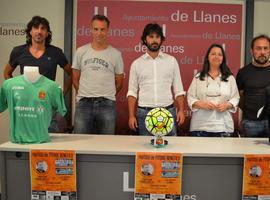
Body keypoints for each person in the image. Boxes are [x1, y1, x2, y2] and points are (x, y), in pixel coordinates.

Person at [2, 16, 71, 133]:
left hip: (47, 104)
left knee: (49, 138)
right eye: (35, 28)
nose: (39, 31)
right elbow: (7, 73)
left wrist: (61, 93)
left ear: (47, 33)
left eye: (43, 28)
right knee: (26, 136)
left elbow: (71, 73)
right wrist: (16, 91)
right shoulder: (18, 51)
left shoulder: (56, 52)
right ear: (30, 31)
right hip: (25, 104)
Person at [127, 23, 185, 136]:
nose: (154, 40)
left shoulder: (171, 61)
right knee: (145, 150)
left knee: (171, 149)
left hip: (168, 112)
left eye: (157, 37)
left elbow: (178, 89)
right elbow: (132, 92)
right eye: (151, 37)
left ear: (161, 39)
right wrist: (131, 116)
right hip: (144, 113)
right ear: (144, 39)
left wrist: (182, 111)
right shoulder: (136, 64)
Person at [72, 14, 124, 134]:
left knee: (107, 144)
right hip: (84, 104)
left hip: (107, 105)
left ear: (107, 30)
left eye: (102, 29)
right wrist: (85, 93)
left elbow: (120, 82)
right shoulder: (81, 51)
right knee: (80, 142)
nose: (99, 33)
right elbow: (75, 78)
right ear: (91, 30)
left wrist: (106, 94)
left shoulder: (116, 54)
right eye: (96, 29)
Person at [187, 44, 239, 137]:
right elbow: (190, 97)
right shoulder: (198, 77)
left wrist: (227, 105)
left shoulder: (230, 78)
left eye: (220, 54)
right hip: (200, 126)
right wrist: (201, 104)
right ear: (208, 57)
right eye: (213, 54)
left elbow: (235, 98)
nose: (216, 57)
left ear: (223, 58)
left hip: (223, 126)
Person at [236, 34, 270, 137]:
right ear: (252, 51)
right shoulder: (243, 72)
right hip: (250, 123)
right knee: (250, 153)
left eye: (266, 48)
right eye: (258, 48)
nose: (262, 52)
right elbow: (239, 98)